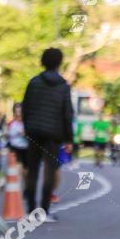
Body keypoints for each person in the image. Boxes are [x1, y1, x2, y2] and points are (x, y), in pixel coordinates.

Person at [22, 48, 74, 222]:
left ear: (42, 61)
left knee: (32, 171)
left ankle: (30, 210)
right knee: (49, 173)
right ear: (59, 63)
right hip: (53, 135)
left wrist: (27, 128)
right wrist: (69, 139)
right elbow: (67, 114)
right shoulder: (63, 86)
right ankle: (44, 211)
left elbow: (25, 107)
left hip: (34, 133)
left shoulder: (33, 82)